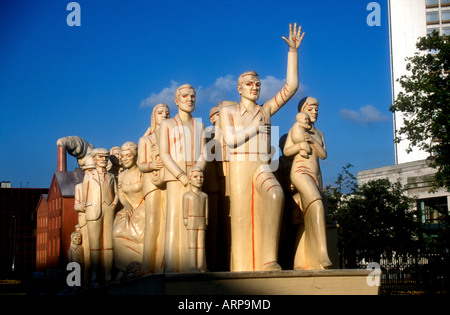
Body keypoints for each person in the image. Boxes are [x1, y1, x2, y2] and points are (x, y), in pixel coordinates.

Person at [219, 23, 304, 271]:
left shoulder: (265, 109)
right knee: (242, 218)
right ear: (239, 87)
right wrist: (256, 128)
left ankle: (270, 259)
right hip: (239, 166)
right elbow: (231, 139)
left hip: (261, 165)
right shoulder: (229, 111)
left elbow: (291, 88)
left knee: (275, 194)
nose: (255, 87)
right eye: (249, 84)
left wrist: (293, 53)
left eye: (257, 84)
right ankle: (241, 268)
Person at [159, 84, 206, 273]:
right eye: (185, 96)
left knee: (196, 222)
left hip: (195, 178)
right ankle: (172, 264)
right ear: (176, 100)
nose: (190, 99)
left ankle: (196, 264)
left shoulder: (199, 125)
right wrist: (180, 175)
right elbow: (164, 153)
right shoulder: (167, 124)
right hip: (175, 178)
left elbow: (204, 153)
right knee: (174, 219)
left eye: (193, 96)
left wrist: (197, 170)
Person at [283, 96, 332, 270]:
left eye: (316, 108)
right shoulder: (295, 129)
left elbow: (323, 155)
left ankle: (300, 261)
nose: (314, 112)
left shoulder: (319, 133)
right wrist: (299, 146)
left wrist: (312, 141)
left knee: (308, 216)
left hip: (316, 175)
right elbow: (287, 150)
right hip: (300, 171)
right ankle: (322, 254)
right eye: (310, 108)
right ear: (302, 111)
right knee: (316, 204)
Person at [138, 103, 170, 274]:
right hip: (151, 183)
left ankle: (161, 264)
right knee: (152, 224)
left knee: (166, 222)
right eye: (160, 112)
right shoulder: (145, 140)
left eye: (167, 112)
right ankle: (147, 266)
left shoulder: (171, 137)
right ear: (154, 116)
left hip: (167, 181)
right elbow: (140, 165)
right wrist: (152, 164)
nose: (164, 115)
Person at [81, 148, 118, 285]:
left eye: (105, 157)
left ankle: (108, 276)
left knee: (109, 244)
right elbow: (84, 196)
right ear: (95, 159)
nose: (103, 160)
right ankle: (95, 276)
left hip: (108, 209)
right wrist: (86, 206)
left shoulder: (112, 177)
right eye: (100, 157)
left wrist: (113, 205)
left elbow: (117, 193)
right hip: (94, 211)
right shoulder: (88, 176)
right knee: (95, 246)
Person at [112, 141, 146, 280]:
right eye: (122, 156)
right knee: (117, 232)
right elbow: (122, 194)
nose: (124, 159)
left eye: (128, 155)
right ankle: (123, 267)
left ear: (135, 156)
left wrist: (141, 207)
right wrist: (126, 205)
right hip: (128, 208)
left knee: (140, 235)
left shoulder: (142, 173)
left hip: (143, 207)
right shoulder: (122, 175)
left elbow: (148, 192)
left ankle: (142, 266)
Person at [182, 167, 209, 272]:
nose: (199, 179)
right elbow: (185, 208)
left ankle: (201, 265)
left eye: (201, 177)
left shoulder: (204, 196)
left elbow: (206, 209)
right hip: (192, 221)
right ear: (190, 179)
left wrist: (206, 219)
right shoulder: (187, 196)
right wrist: (185, 218)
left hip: (201, 221)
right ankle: (192, 265)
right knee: (192, 244)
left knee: (201, 244)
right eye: (196, 177)